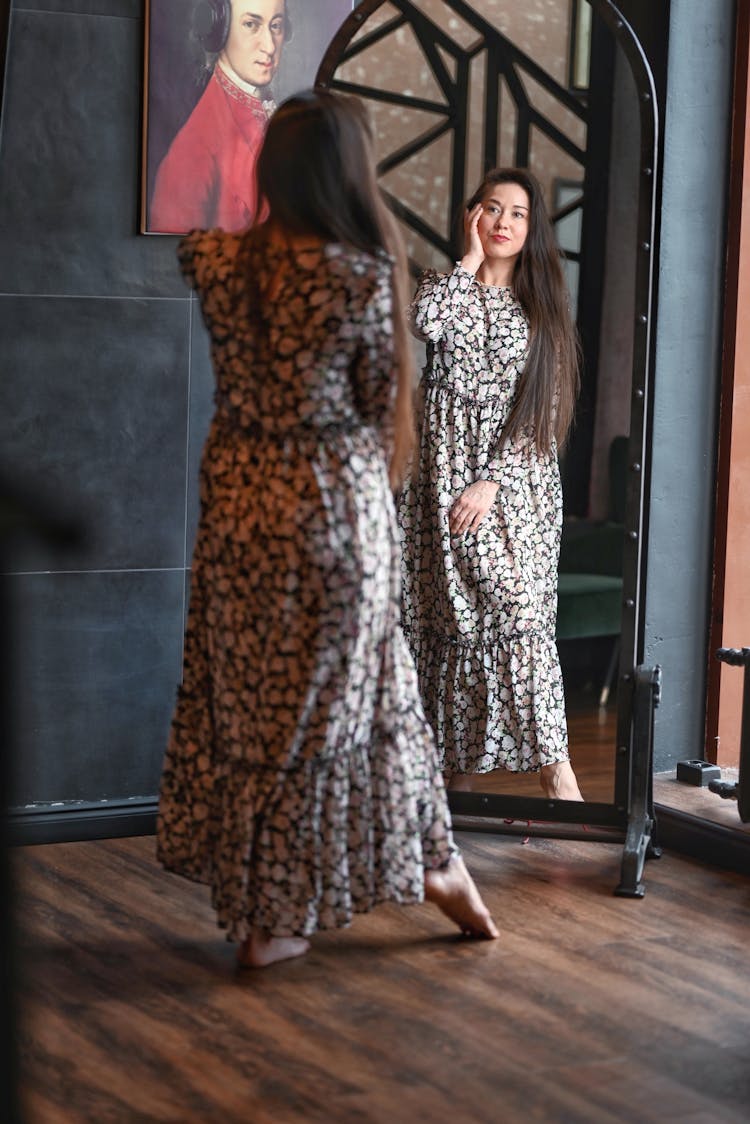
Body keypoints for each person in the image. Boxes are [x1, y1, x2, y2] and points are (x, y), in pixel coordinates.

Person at [156, 90, 499, 969]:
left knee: (267, 709)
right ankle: (310, 904)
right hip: (335, 514)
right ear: (352, 173)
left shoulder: (215, 263)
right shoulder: (361, 276)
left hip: (238, 513)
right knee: (341, 709)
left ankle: (404, 871)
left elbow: (209, 236)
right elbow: (385, 410)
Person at [398, 168, 584, 802]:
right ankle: (454, 777)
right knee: (449, 624)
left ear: (532, 231)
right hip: (436, 482)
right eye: (492, 209)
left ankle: (558, 776)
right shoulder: (443, 288)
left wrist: (491, 483)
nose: (503, 221)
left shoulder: (542, 312)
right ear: (472, 215)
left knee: (519, 617)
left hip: (514, 489)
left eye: (518, 214)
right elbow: (425, 323)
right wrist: (469, 258)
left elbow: (544, 410)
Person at [149, 0, 289, 233]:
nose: (269, 46)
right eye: (251, 25)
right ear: (218, 31)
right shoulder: (194, 151)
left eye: (275, 26)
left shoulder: (269, 116)